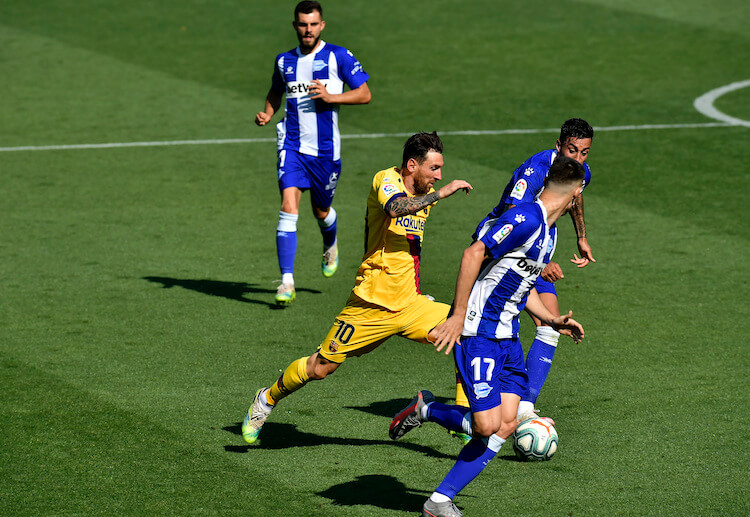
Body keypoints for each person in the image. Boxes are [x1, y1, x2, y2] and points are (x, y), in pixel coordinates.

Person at [241, 132, 473, 444]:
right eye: (434, 169)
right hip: (369, 306)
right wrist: (440, 194)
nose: (439, 176)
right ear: (412, 165)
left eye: (441, 170)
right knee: (321, 367)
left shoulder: (423, 195)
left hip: (410, 305)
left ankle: (460, 419)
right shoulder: (386, 180)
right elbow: (394, 208)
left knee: (466, 332)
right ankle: (266, 400)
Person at [389, 156, 586, 517]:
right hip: (479, 333)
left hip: (508, 339)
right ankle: (428, 410)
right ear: (576, 192)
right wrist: (458, 316)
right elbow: (472, 254)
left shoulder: (550, 233)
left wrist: (551, 319)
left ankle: (438, 501)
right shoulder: (524, 218)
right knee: (485, 425)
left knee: (506, 424)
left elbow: (521, 286)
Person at [451, 118, 595, 423]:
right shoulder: (535, 171)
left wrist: (581, 237)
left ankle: (525, 407)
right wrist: (537, 263)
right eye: (572, 151)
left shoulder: (580, 172)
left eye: (584, 153)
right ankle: (468, 405)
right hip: (506, 248)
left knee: (551, 323)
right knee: (479, 326)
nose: (578, 159)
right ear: (559, 147)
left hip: (537, 250)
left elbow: (575, 195)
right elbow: (514, 219)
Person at [255, 1, 372, 306]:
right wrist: (268, 113)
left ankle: (330, 240)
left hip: (325, 153)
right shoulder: (284, 61)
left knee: (321, 211)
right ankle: (286, 282)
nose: (307, 30)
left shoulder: (338, 56)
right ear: (295, 26)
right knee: (288, 206)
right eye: (302, 24)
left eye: (313, 24)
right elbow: (275, 91)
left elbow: (365, 93)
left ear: (322, 25)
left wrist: (333, 96)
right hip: (291, 145)